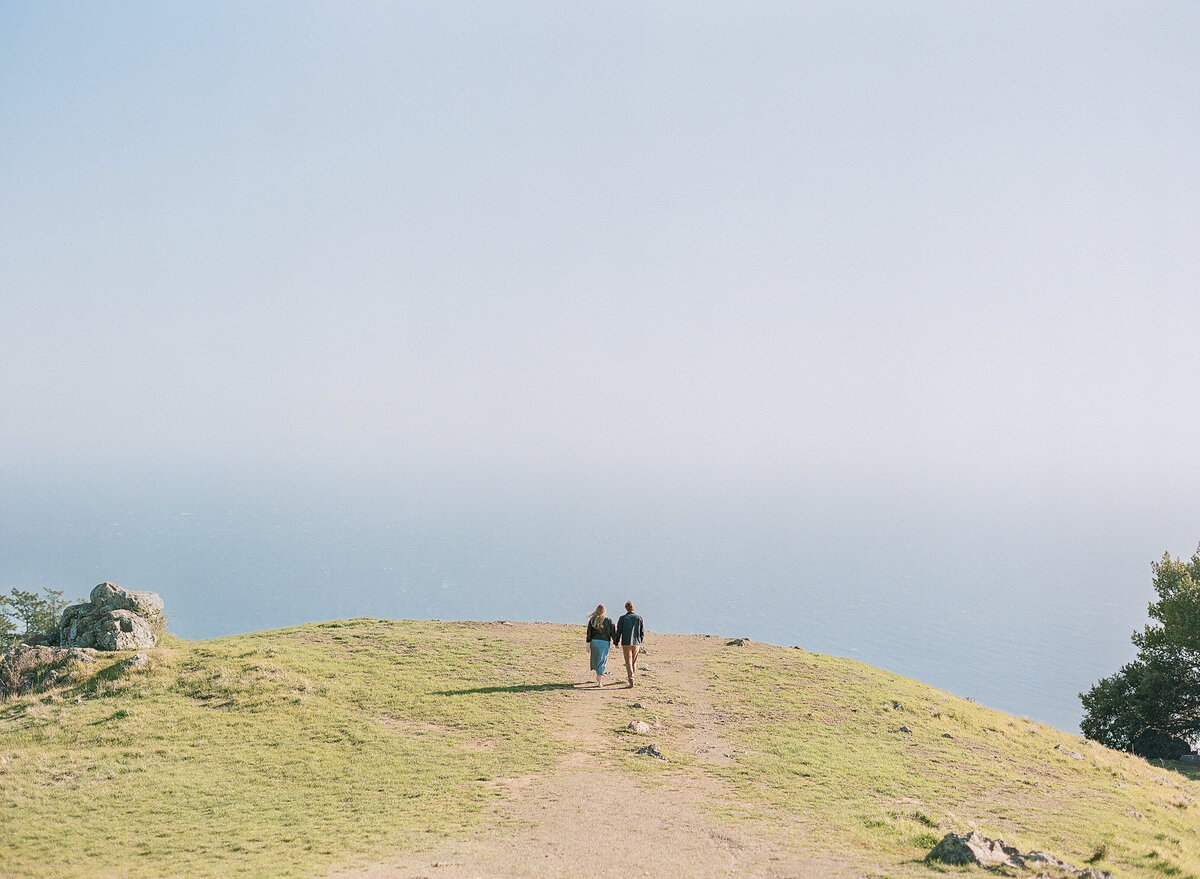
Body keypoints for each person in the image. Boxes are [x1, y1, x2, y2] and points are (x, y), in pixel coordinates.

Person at [585, 604, 617, 687]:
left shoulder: (592, 620)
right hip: (604, 643)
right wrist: (616, 642)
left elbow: (589, 633)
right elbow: (613, 632)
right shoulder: (608, 621)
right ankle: (600, 681)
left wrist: (588, 644)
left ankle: (598, 676)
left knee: (596, 659)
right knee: (602, 660)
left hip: (594, 642)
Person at [615, 600, 644, 688]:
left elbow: (619, 631)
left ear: (626, 608)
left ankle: (631, 680)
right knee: (634, 661)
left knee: (628, 662)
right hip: (636, 643)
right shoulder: (639, 618)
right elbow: (642, 632)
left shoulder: (622, 618)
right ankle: (632, 677)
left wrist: (616, 642)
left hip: (626, 642)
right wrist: (640, 641)